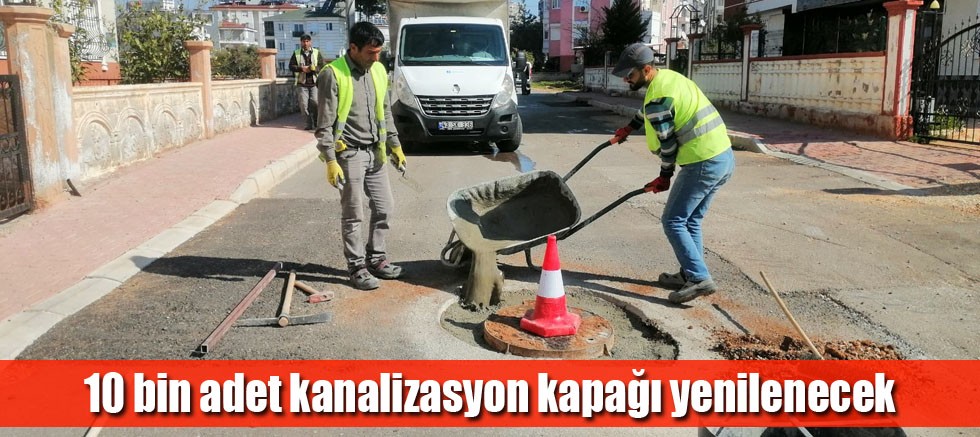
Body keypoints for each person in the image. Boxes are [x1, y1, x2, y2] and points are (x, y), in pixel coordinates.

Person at [609, 43, 735, 304]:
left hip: (702, 161)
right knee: (691, 221)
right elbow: (649, 109)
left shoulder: (658, 99)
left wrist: (664, 176)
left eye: (629, 74)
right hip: (723, 156)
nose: (625, 79)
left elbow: (667, 145)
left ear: (646, 69)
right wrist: (629, 128)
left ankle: (699, 279)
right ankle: (690, 273)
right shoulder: (667, 78)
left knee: (673, 220)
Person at [314, 21, 407, 290]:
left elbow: (385, 111)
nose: (376, 58)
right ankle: (356, 267)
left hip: (375, 152)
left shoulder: (377, 70)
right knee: (354, 214)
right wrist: (331, 160)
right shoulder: (333, 74)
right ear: (353, 48)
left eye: (379, 52)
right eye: (370, 53)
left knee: (384, 207)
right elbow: (324, 125)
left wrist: (395, 145)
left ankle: (376, 259)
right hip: (350, 154)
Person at [289, 34, 326, 130]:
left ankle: (316, 122)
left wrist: (314, 69)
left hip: (314, 83)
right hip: (302, 83)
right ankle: (308, 124)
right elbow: (291, 66)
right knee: (303, 105)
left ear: (310, 42)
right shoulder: (296, 53)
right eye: (303, 41)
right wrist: (301, 68)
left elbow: (322, 66)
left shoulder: (316, 52)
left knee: (315, 103)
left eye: (307, 41)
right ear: (301, 42)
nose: (305, 43)